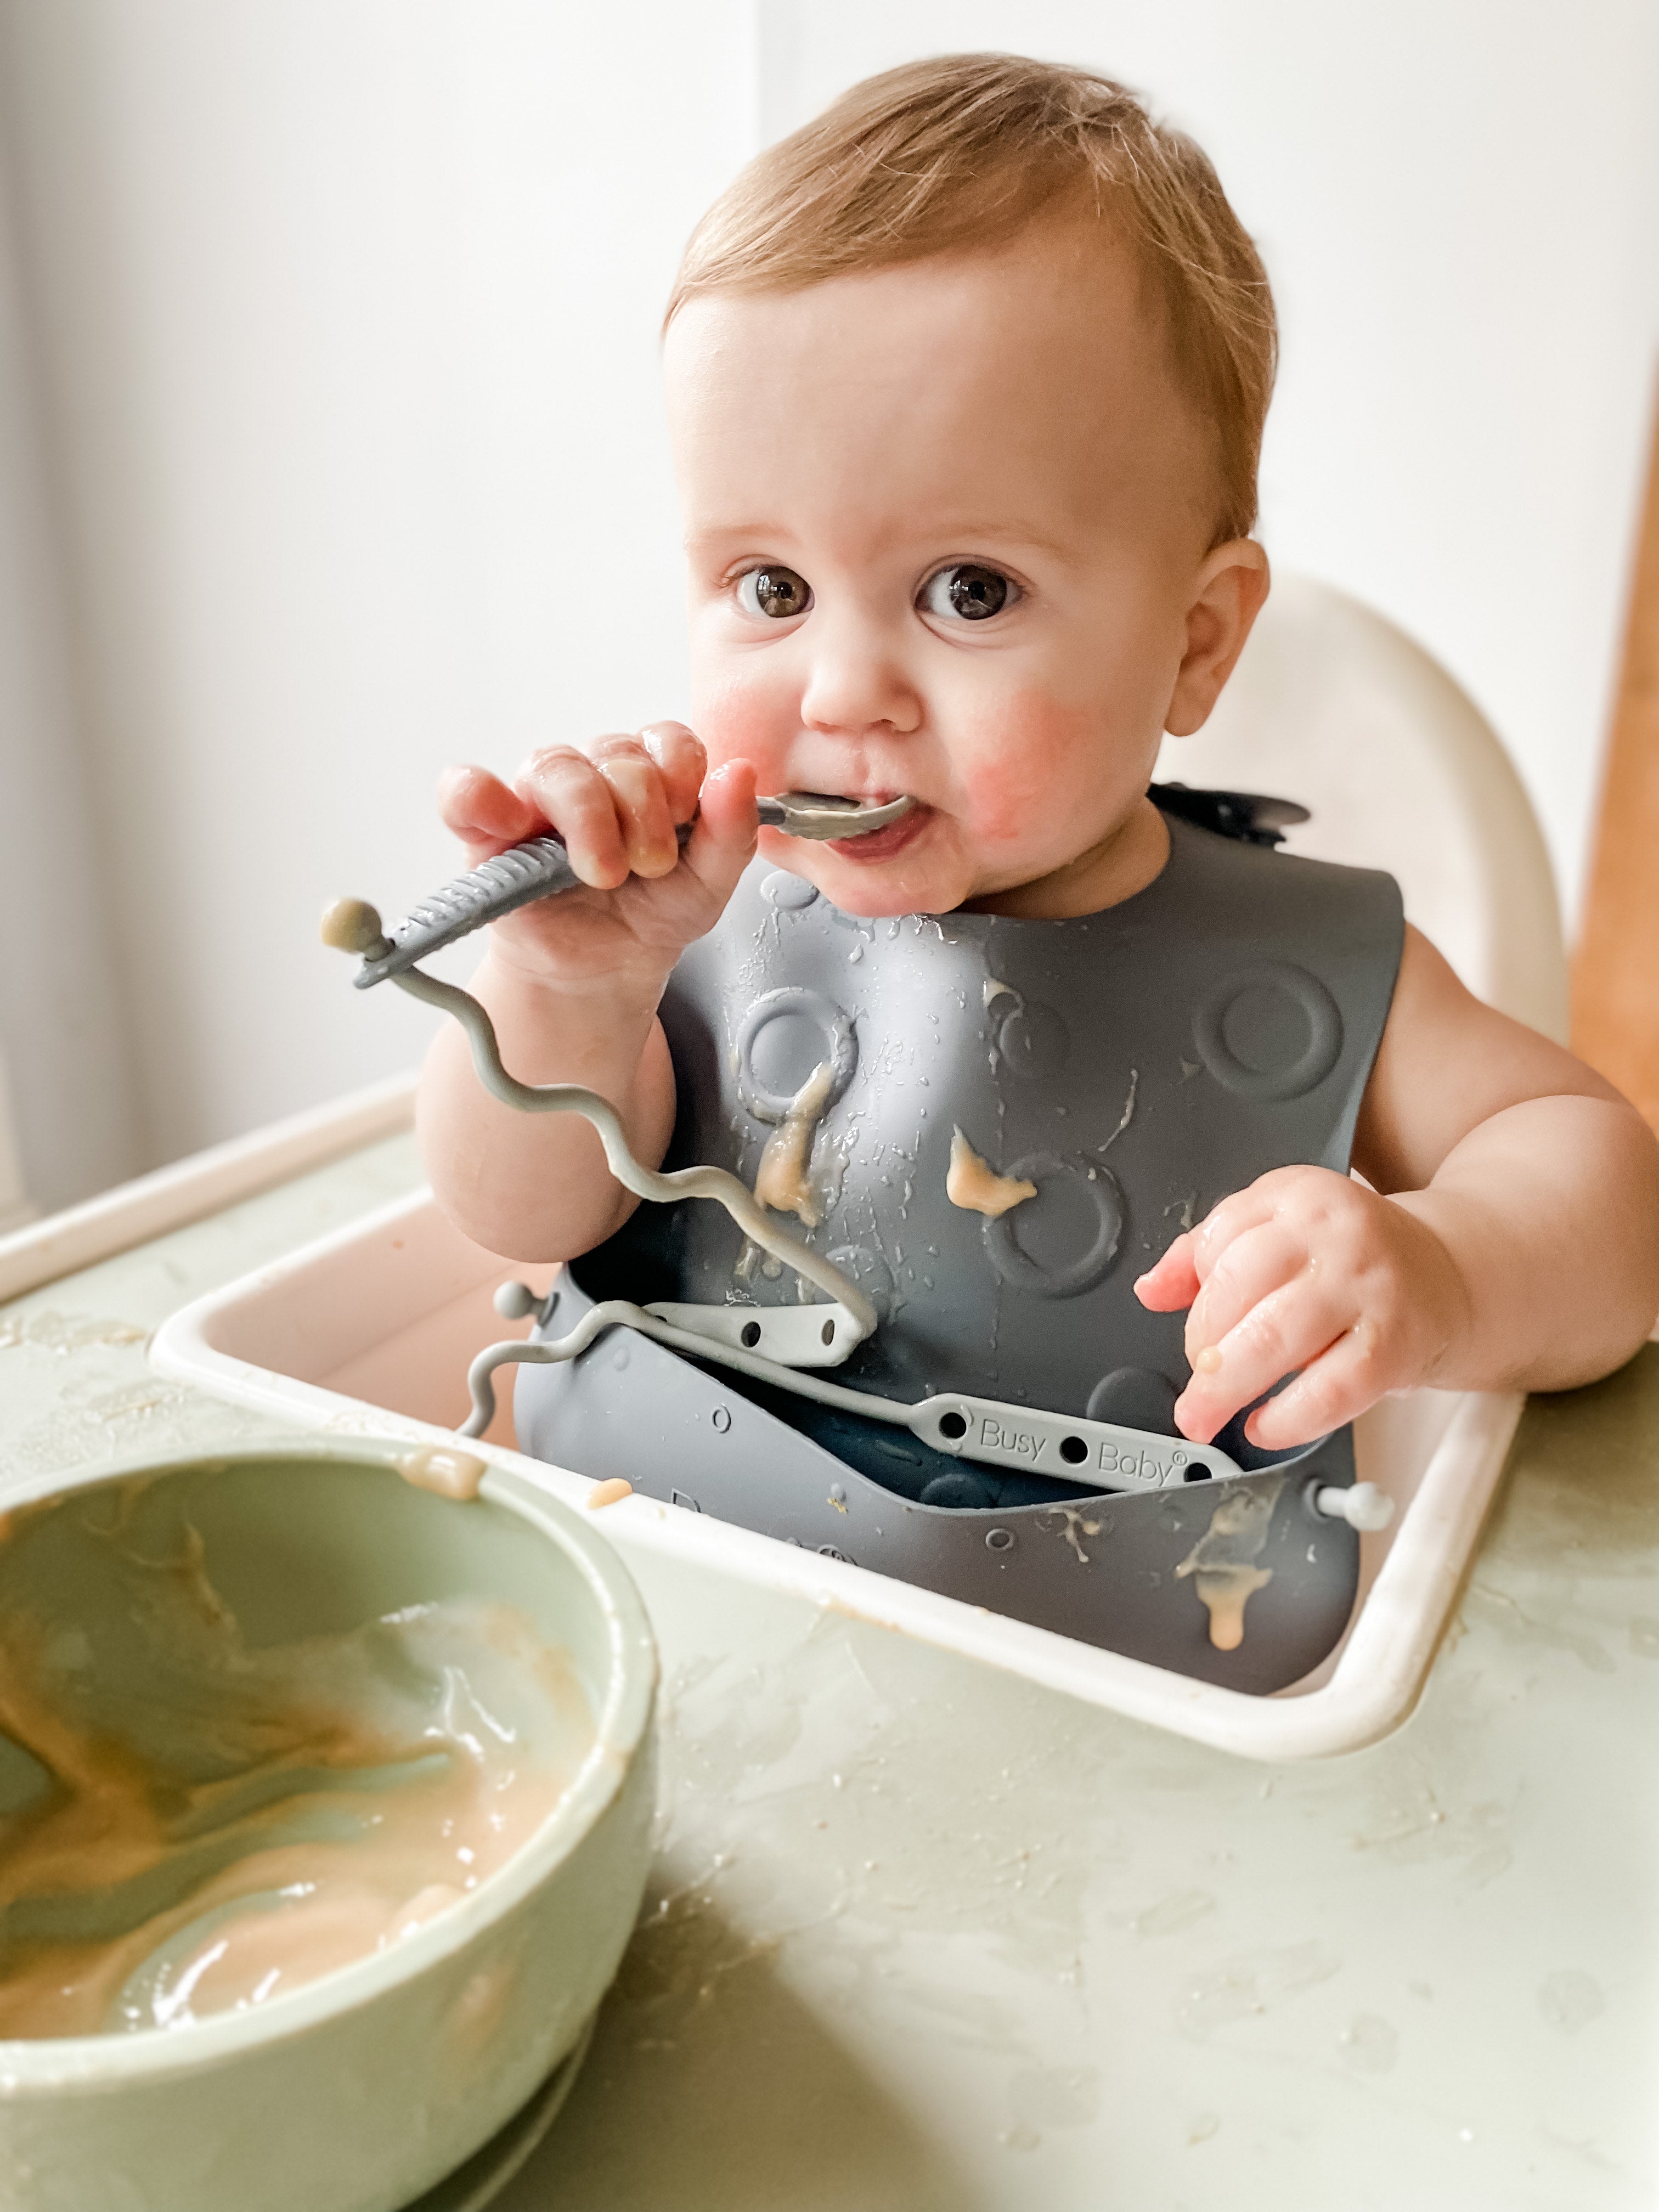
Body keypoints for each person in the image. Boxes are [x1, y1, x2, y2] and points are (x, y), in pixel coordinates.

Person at [417, 52, 1659, 1472]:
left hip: (1136, 1670)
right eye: (770, 587)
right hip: (657, 1625)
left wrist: (1445, 1270)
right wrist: (563, 989)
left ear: (1195, 645)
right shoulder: (678, 932)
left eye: (971, 591)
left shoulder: (1295, 968)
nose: (842, 692)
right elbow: (514, 1217)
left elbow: (1613, 1201)